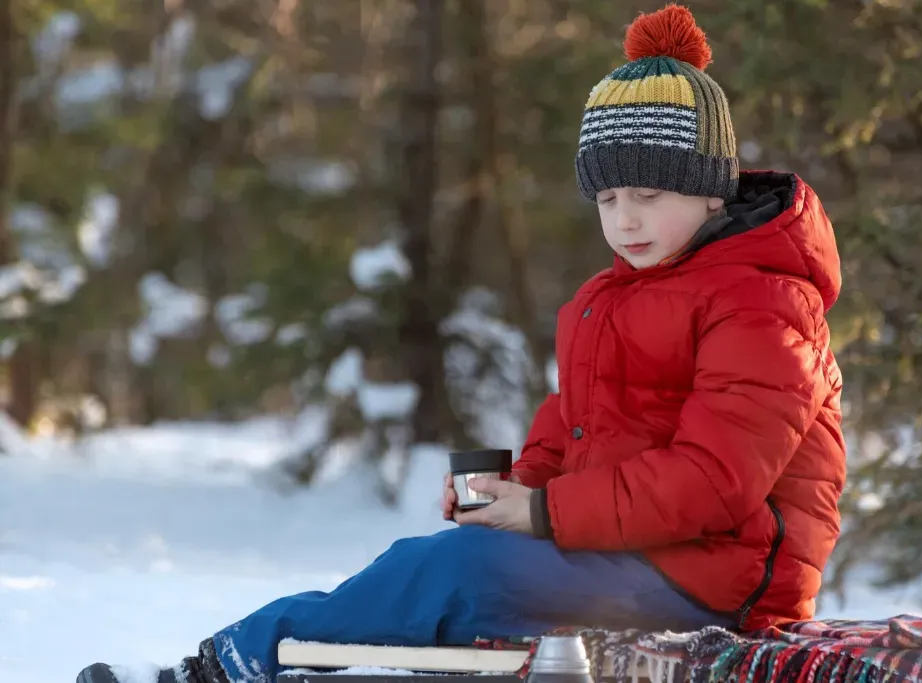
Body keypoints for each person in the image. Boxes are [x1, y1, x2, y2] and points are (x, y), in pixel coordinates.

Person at [76, 5, 845, 683]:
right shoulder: (606, 301)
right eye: (608, 197)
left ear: (711, 189)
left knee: (449, 572)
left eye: (649, 194)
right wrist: (514, 492)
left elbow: (714, 482)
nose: (626, 219)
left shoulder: (765, 302)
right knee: (444, 564)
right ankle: (249, 658)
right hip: (640, 554)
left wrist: (541, 514)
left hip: (720, 581)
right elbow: (576, 431)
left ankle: (232, 664)